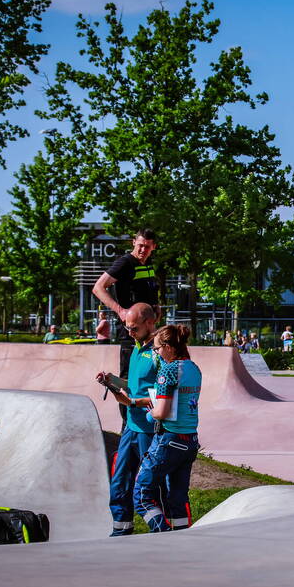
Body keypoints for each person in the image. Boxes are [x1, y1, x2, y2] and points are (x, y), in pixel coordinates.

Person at [95, 303, 159, 537]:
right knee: (119, 481)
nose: (129, 332)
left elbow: (161, 397)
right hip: (131, 427)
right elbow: (132, 386)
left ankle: (162, 530)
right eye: (126, 328)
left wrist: (131, 402)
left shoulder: (158, 353)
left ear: (150, 323)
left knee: (149, 485)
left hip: (150, 430)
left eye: (134, 328)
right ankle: (121, 530)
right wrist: (113, 381)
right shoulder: (137, 348)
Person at [133, 324, 201, 532]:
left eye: (157, 348)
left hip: (168, 439)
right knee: (177, 498)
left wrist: (150, 410)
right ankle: (181, 538)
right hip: (189, 440)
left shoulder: (168, 371)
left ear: (168, 346)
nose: (156, 353)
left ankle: (161, 533)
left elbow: (161, 412)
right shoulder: (194, 368)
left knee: (141, 494)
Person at [92, 229, 160, 424]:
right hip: (131, 331)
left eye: (147, 247)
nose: (143, 250)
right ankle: (127, 424)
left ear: (153, 247)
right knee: (130, 375)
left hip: (150, 330)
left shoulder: (148, 264)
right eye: (140, 246)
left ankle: (149, 418)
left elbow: (148, 289)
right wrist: (119, 310)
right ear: (133, 243)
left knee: (150, 372)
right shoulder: (125, 263)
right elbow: (98, 287)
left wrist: (157, 306)